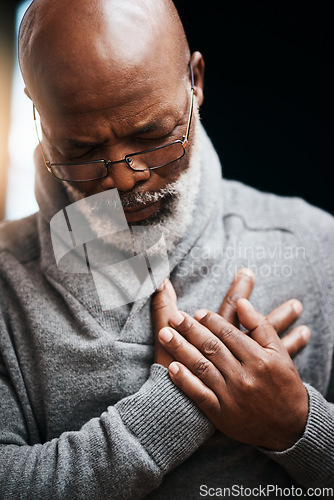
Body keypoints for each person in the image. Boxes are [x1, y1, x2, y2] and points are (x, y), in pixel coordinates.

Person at [0, 0, 333, 498]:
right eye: (81, 150)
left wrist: (301, 428)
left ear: (195, 81)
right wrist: (173, 407)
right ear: (36, 110)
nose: (122, 178)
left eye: (151, 135)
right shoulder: (6, 279)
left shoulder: (315, 245)